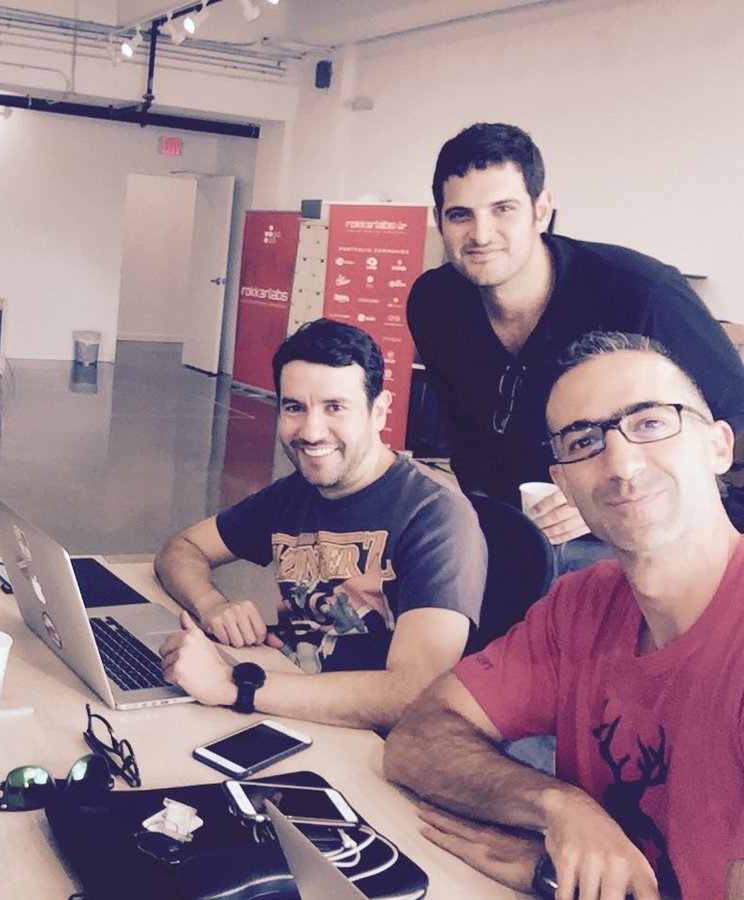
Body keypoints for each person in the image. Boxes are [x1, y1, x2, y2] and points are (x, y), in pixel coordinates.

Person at [383, 332, 744, 900]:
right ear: (564, 486)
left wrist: (551, 877)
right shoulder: (581, 604)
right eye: (584, 441)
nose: (621, 463)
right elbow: (417, 738)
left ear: (719, 446)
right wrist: (559, 806)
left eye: (651, 422)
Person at [407, 122, 744, 573]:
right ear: (439, 220)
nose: (481, 234)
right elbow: (465, 438)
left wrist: (603, 491)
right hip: (518, 532)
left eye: (503, 209)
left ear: (541, 209)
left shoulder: (641, 293)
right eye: (460, 215)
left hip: (640, 527)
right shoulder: (434, 304)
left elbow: (734, 419)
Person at [156, 319, 485, 730]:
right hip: (288, 705)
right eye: (294, 407)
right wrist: (211, 605)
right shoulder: (295, 494)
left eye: (335, 407)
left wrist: (232, 684)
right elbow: (182, 549)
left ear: (378, 411)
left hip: (371, 742)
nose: (311, 432)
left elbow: (414, 694)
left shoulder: (436, 517)